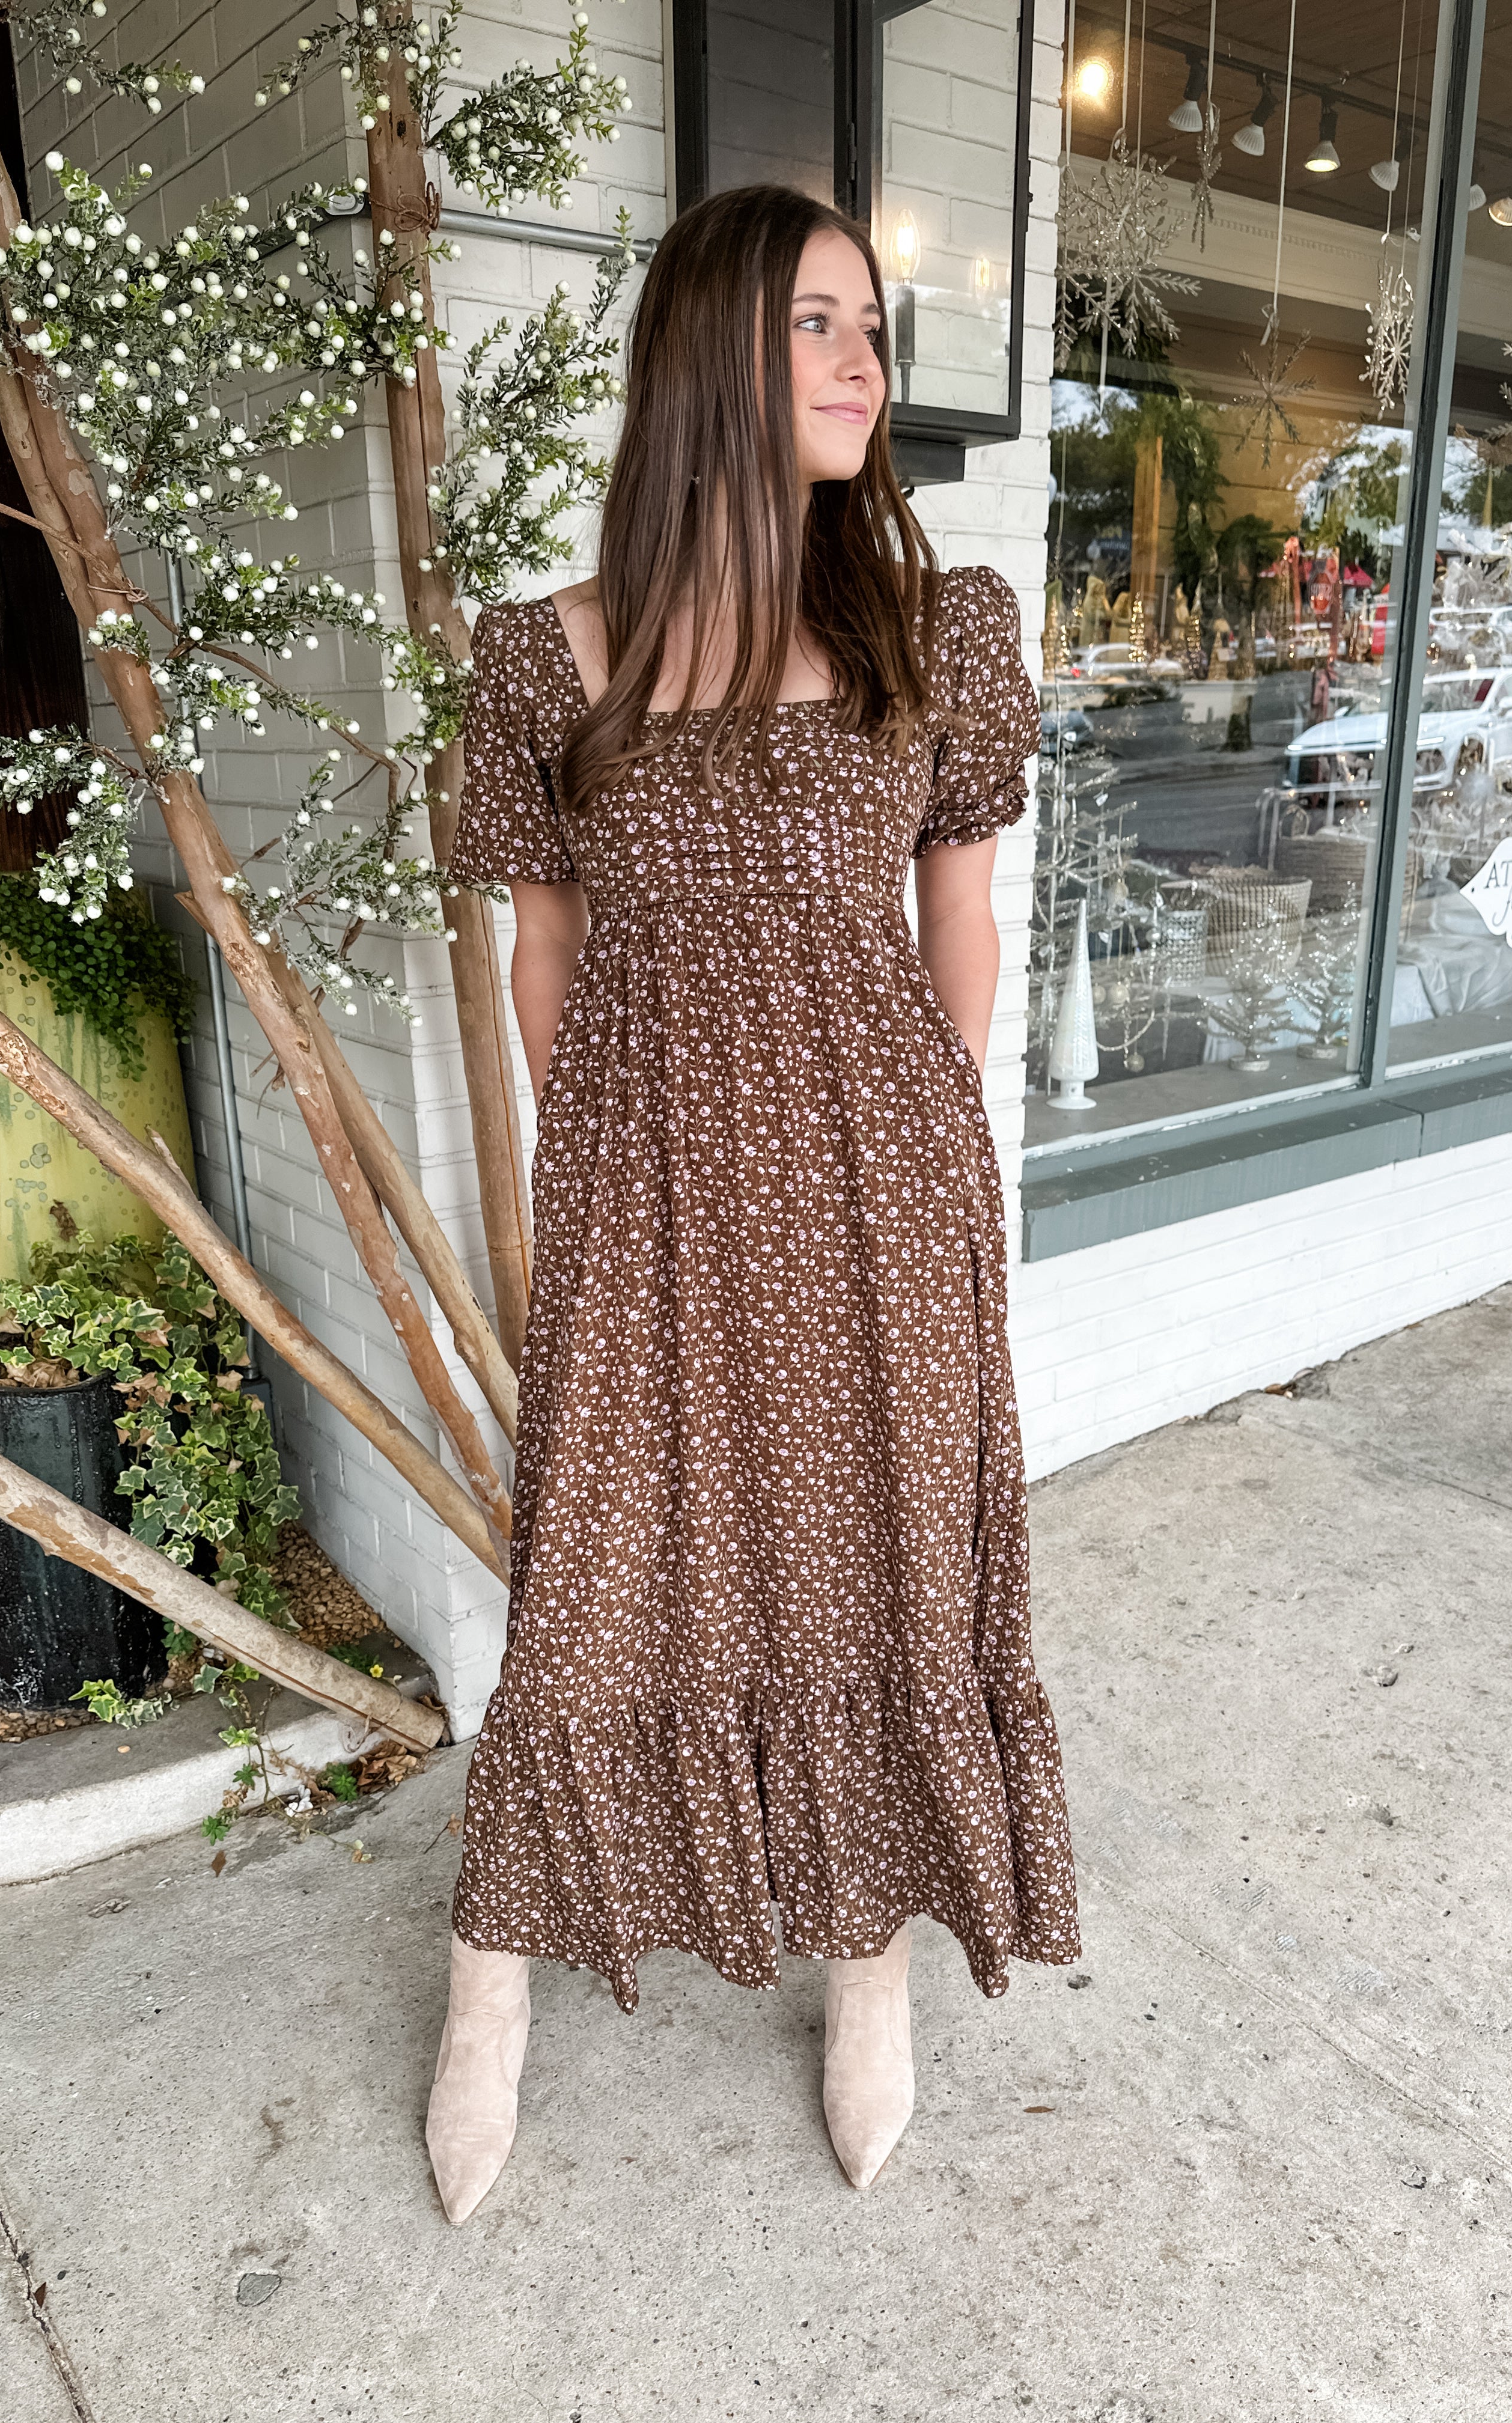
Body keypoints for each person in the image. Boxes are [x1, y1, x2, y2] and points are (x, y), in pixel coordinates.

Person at [426, 183, 1080, 2224]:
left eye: (872, 321)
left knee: (872, 1562)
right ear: (715, 354)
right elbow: (547, 962)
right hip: (643, 1204)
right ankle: (492, 1980)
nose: (866, 358)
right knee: (593, 1588)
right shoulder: (550, 661)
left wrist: (923, 1147)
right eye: (817, 322)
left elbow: (958, 928)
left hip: (886, 1192)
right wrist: (614, 1167)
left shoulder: (933, 627)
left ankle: (866, 1958)